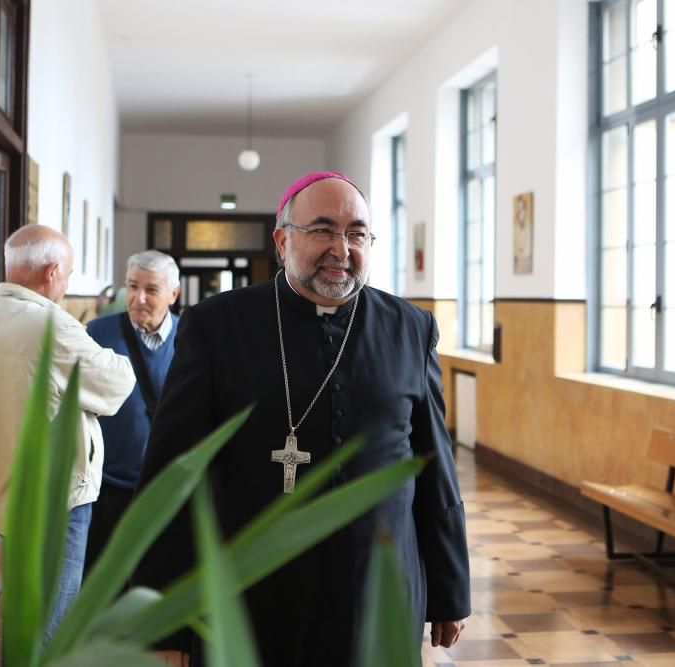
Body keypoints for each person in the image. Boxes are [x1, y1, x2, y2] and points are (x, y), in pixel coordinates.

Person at [134, 172, 470, 665]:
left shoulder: (410, 329)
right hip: (251, 596)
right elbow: (172, 473)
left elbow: (433, 465)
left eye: (357, 233)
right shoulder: (217, 326)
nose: (342, 248)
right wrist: (163, 619)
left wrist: (449, 588)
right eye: (322, 230)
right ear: (282, 239)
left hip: (378, 593)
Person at [0, 224, 135, 642]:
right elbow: (117, 384)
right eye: (67, 273)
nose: (66, 282)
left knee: (25, 616)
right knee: (54, 624)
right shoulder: (52, 327)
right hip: (59, 497)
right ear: (51, 272)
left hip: (14, 491)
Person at [83, 250, 181, 575]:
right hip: (107, 487)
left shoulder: (191, 337)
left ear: (173, 294)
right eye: (132, 287)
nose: (138, 298)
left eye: (151, 290)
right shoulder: (97, 334)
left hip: (166, 487)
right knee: (102, 579)